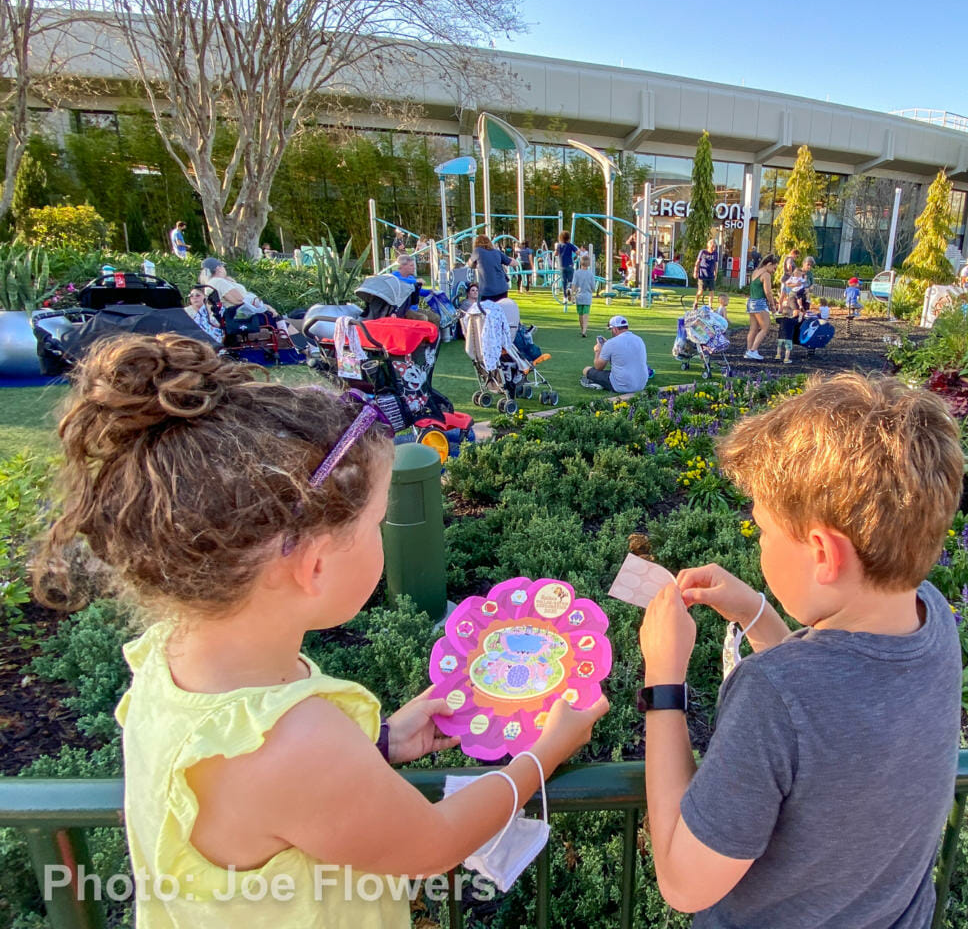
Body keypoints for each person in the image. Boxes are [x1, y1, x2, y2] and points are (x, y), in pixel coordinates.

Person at [34, 336, 607, 929]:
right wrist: (542, 757)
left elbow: (261, 805)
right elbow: (433, 843)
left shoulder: (169, 662)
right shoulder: (292, 742)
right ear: (313, 565)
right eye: (376, 523)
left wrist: (377, 746)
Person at [637, 373, 965, 927]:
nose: (759, 541)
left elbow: (682, 882)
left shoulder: (773, 694)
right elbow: (835, 700)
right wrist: (757, 615)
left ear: (822, 553)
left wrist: (663, 678)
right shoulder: (930, 616)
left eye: (762, 530)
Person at [582, 314, 649, 393]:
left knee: (586, 370)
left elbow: (598, 367)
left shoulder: (611, 343)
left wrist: (598, 351)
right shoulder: (639, 339)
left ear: (615, 329)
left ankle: (597, 384)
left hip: (620, 386)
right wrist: (607, 345)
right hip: (641, 384)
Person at [390, 254, 441, 326]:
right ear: (402, 266)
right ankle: (420, 337)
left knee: (435, 317)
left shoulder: (411, 278)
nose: (414, 268)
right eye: (411, 265)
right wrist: (416, 282)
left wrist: (430, 291)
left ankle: (433, 336)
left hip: (414, 309)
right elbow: (403, 284)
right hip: (402, 309)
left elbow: (418, 291)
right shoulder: (394, 277)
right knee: (422, 318)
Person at [745, 254, 778, 360]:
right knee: (765, 327)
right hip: (759, 303)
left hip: (751, 302)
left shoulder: (755, 272)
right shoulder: (766, 275)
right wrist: (773, 305)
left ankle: (748, 350)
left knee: (753, 328)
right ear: (769, 264)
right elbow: (768, 292)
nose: (774, 271)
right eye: (774, 268)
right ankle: (753, 350)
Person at [471, 234, 512, 302]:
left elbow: (470, 264)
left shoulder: (477, 251)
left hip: (487, 290)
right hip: (502, 288)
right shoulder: (497, 252)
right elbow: (511, 262)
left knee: (486, 310)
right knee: (500, 309)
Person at [573, 252, 597, 337]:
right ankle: (584, 330)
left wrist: (572, 293)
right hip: (587, 296)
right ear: (589, 263)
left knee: (580, 314)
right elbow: (593, 287)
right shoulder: (590, 274)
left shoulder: (577, 273)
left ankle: (582, 328)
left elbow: (574, 285)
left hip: (579, 296)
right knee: (586, 314)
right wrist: (593, 290)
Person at [694, 238, 720, 308]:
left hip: (711, 275)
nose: (714, 248)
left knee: (712, 291)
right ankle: (696, 301)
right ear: (709, 246)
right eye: (713, 246)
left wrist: (716, 273)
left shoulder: (715, 253)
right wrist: (695, 271)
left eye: (715, 246)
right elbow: (697, 262)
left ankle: (710, 305)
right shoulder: (703, 252)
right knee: (701, 291)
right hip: (702, 275)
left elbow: (716, 264)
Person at [774, 291, 799, 364]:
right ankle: (786, 359)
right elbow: (798, 321)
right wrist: (800, 316)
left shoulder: (781, 320)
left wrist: (774, 313)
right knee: (788, 349)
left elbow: (776, 319)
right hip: (788, 338)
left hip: (780, 337)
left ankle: (778, 355)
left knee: (779, 346)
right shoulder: (791, 320)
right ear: (791, 313)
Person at [555, 230, 579, 298]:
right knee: (571, 279)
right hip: (569, 265)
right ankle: (569, 289)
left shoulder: (559, 245)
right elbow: (577, 252)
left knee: (564, 281)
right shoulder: (570, 245)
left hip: (562, 266)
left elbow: (555, 254)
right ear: (568, 238)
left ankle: (565, 297)